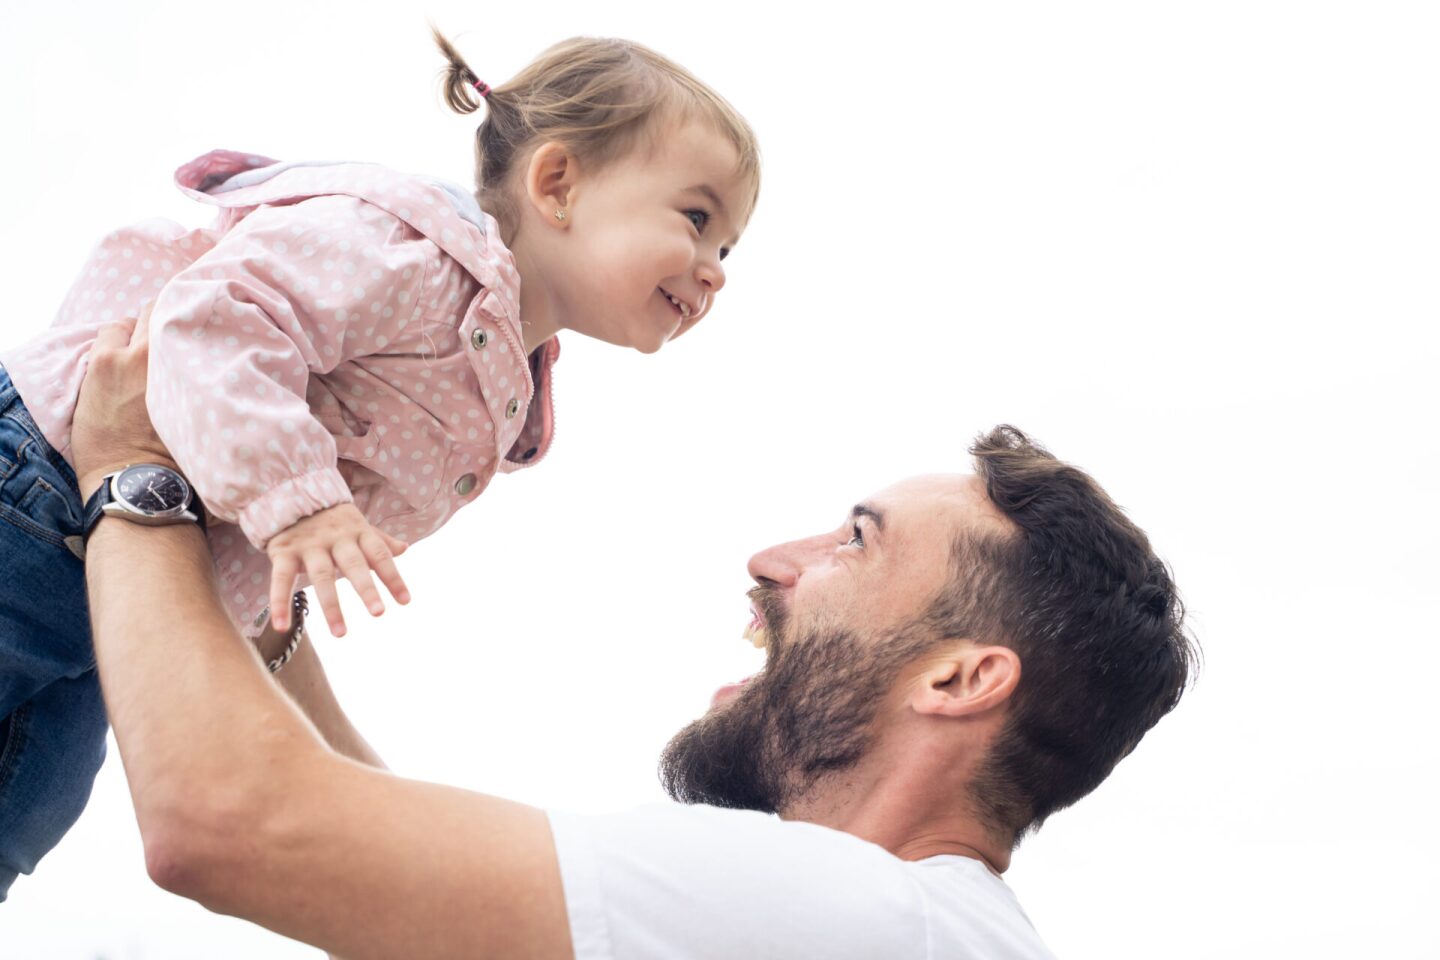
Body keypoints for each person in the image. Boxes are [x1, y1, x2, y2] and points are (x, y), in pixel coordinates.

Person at [64, 314, 1198, 959]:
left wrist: (128, 474)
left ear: (959, 677)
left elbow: (229, 823)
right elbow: (389, 869)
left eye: (855, 541)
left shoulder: (853, 915)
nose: (772, 560)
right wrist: (255, 618)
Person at [0, 31, 758, 899]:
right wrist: (301, 503)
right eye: (698, 220)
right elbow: (210, 320)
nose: (717, 271)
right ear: (557, 185)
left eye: (730, 248)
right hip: (42, 486)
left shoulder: (507, 380)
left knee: (28, 812)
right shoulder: (412, 251)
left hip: (127, 576)